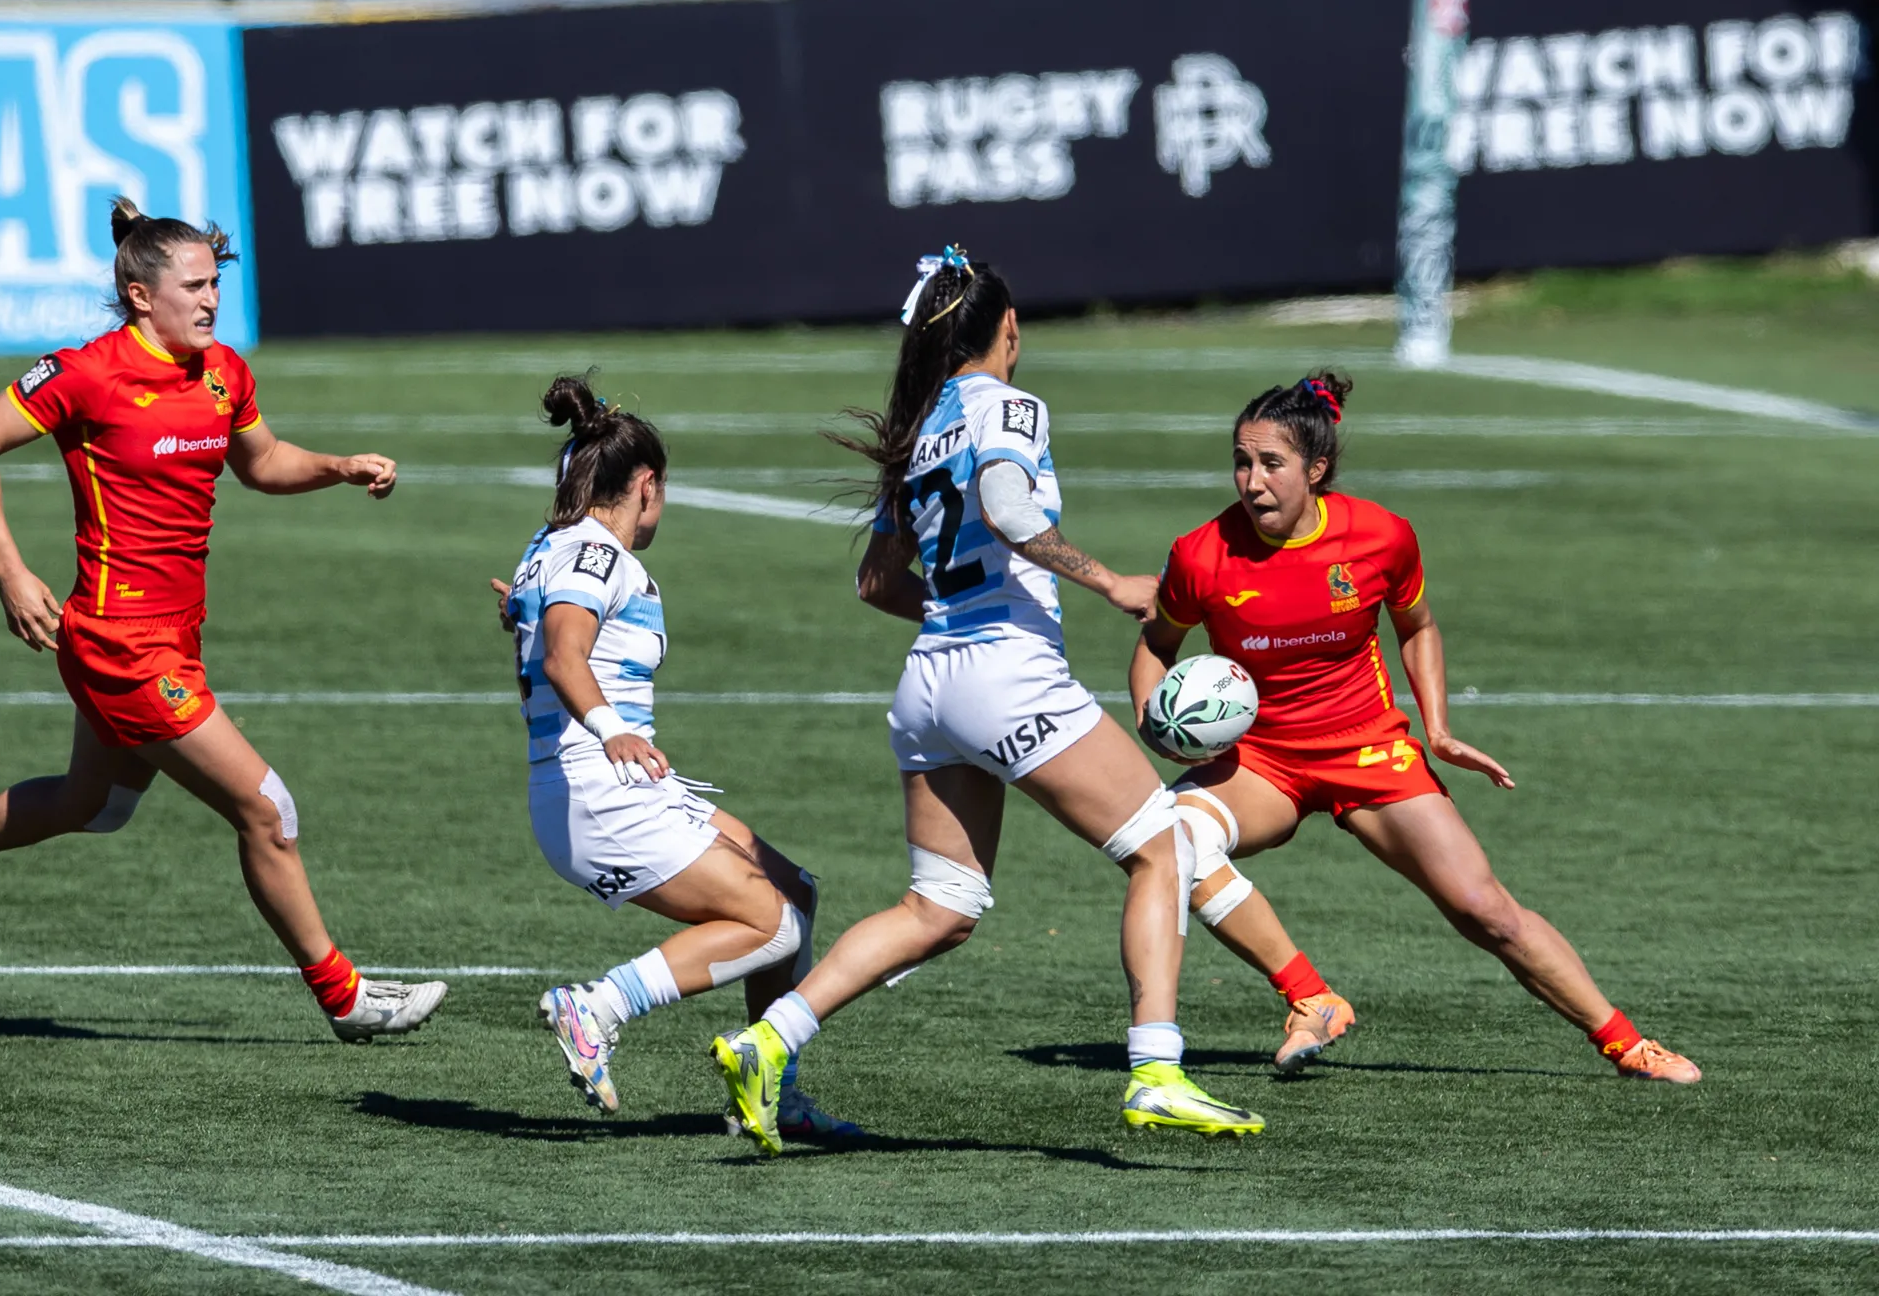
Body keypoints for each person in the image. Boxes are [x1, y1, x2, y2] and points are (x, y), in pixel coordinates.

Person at [710, 247, 1264, 1156]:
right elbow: (1007, 506)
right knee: (1164, 846)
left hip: (932, 684)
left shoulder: (920, 425)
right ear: (1007, 330)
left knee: (943, 907)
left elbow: (874, 583)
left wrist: (961, 619)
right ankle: (1158, 1073)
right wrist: (1109, 581)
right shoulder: (1008, 406)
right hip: (1006, 674)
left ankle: (768, 1041)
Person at [0, 197, 446, 1044]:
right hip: (116, 643)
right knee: (268, 811)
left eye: (217, 284)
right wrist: (11, 572)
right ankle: (346, 998)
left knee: (92, 804)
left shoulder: (223, 372)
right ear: (142, 295)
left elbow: (265, 462)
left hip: (174, 637)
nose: (212, 301)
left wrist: (338, 466)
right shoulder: (86, 371)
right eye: (196, 286)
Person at [1128, 372, 1700, 1084]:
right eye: (1241, 462)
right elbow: (1157, 643)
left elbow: (1417, 626)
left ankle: (1627, 1044)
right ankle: (1311, 996)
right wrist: (1156, 722)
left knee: (1484, 911)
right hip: (1261, 762)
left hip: (1367, 750)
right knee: (1171, 841)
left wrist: (1439, 729)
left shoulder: (1379, 536)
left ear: (1317, 468)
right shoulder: (1201, 554)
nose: (1252, 480)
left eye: (1271, 463)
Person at [494, 376, 859, 1143]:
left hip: (608, 788)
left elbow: (548, 632)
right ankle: (599, 1005)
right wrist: (609, 727)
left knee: (797, 889)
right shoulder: (595, 557)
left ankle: (772, 1088)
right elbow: (564, 655)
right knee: (775, 923)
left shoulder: (550, 550)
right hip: (604, 792)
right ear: (647, 486)